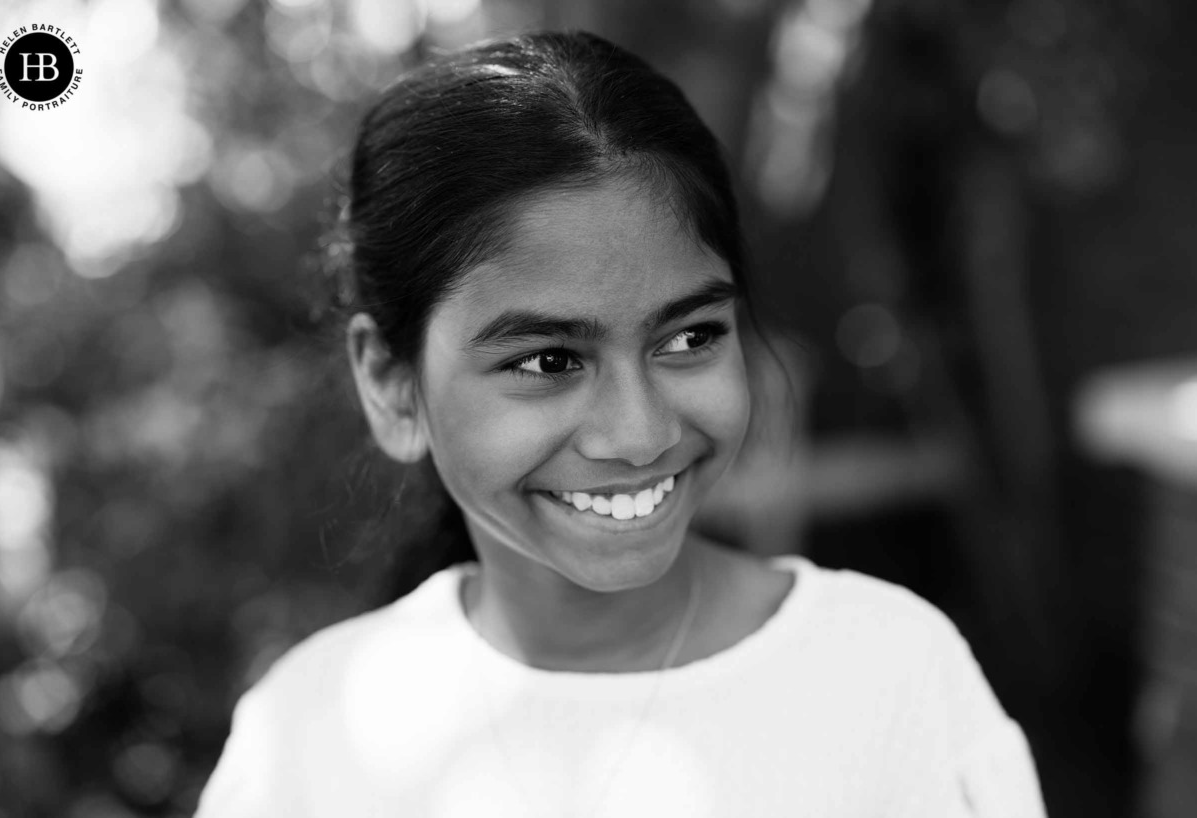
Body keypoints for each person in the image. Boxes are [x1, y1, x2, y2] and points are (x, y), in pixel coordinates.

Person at [195, 30, 1047, 818]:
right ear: (392, 385)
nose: (639, 435)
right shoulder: (303, 741)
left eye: (689, 338)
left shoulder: (888, 676)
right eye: (546, 361)